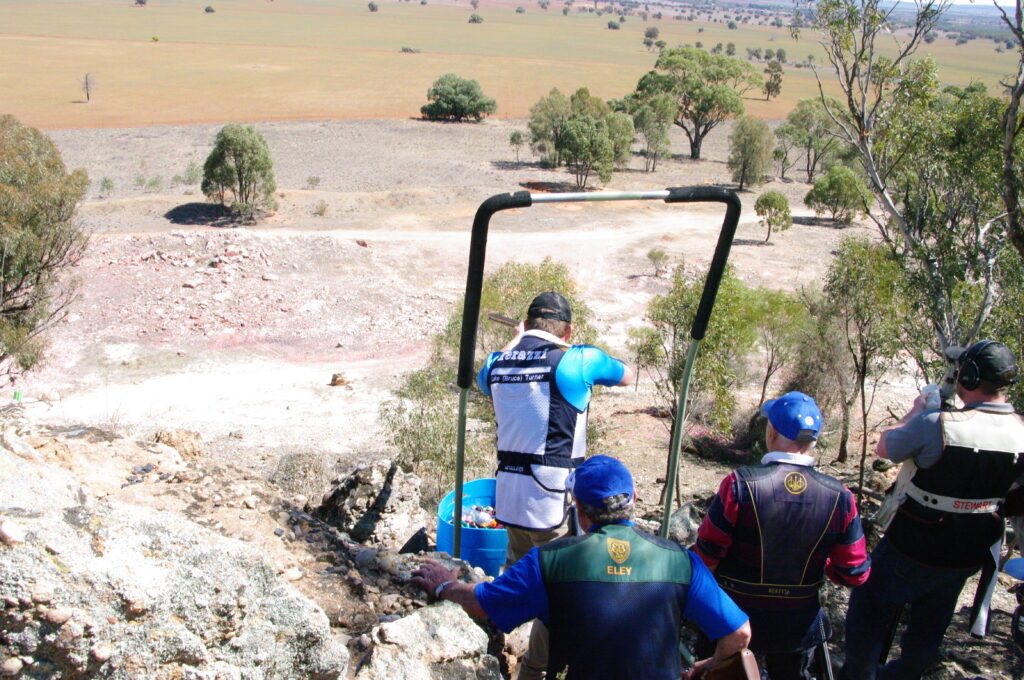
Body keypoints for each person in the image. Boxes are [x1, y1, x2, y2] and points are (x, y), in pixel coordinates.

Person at [412, 455, 752, 680]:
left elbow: (481, 604)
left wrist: (444, 584)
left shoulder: (550, 560)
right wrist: (706, 666)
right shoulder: (680, 561)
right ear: (633, 499)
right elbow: (739, 634)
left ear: (579, 510)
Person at [841, 340, 1024, 680]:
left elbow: (885, 448)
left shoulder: (937, 423)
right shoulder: (1021, 432)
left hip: (913, 543)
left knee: (868, 607)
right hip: (967, 552)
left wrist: (915, 412)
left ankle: (859, 675)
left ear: (968, 376)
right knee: (930, 627)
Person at [476, 294, 633, 679]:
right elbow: (627, 374)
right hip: (553, 501)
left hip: (511, 497)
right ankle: (535, 669)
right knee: (557, 591)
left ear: (526, 326)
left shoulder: (496, 363)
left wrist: (515, 341)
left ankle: (493, 646)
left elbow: (489, 377)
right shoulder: (578, 359)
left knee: (516, 574)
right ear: (568, 330)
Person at [694, 391, 871, 680]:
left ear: (772, 431)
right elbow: (855, 573)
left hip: (733, 619)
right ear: (813, 440)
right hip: (797, 625)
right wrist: (821, 566)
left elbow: (707, 556)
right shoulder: (841, 497)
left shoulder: (739, 484)